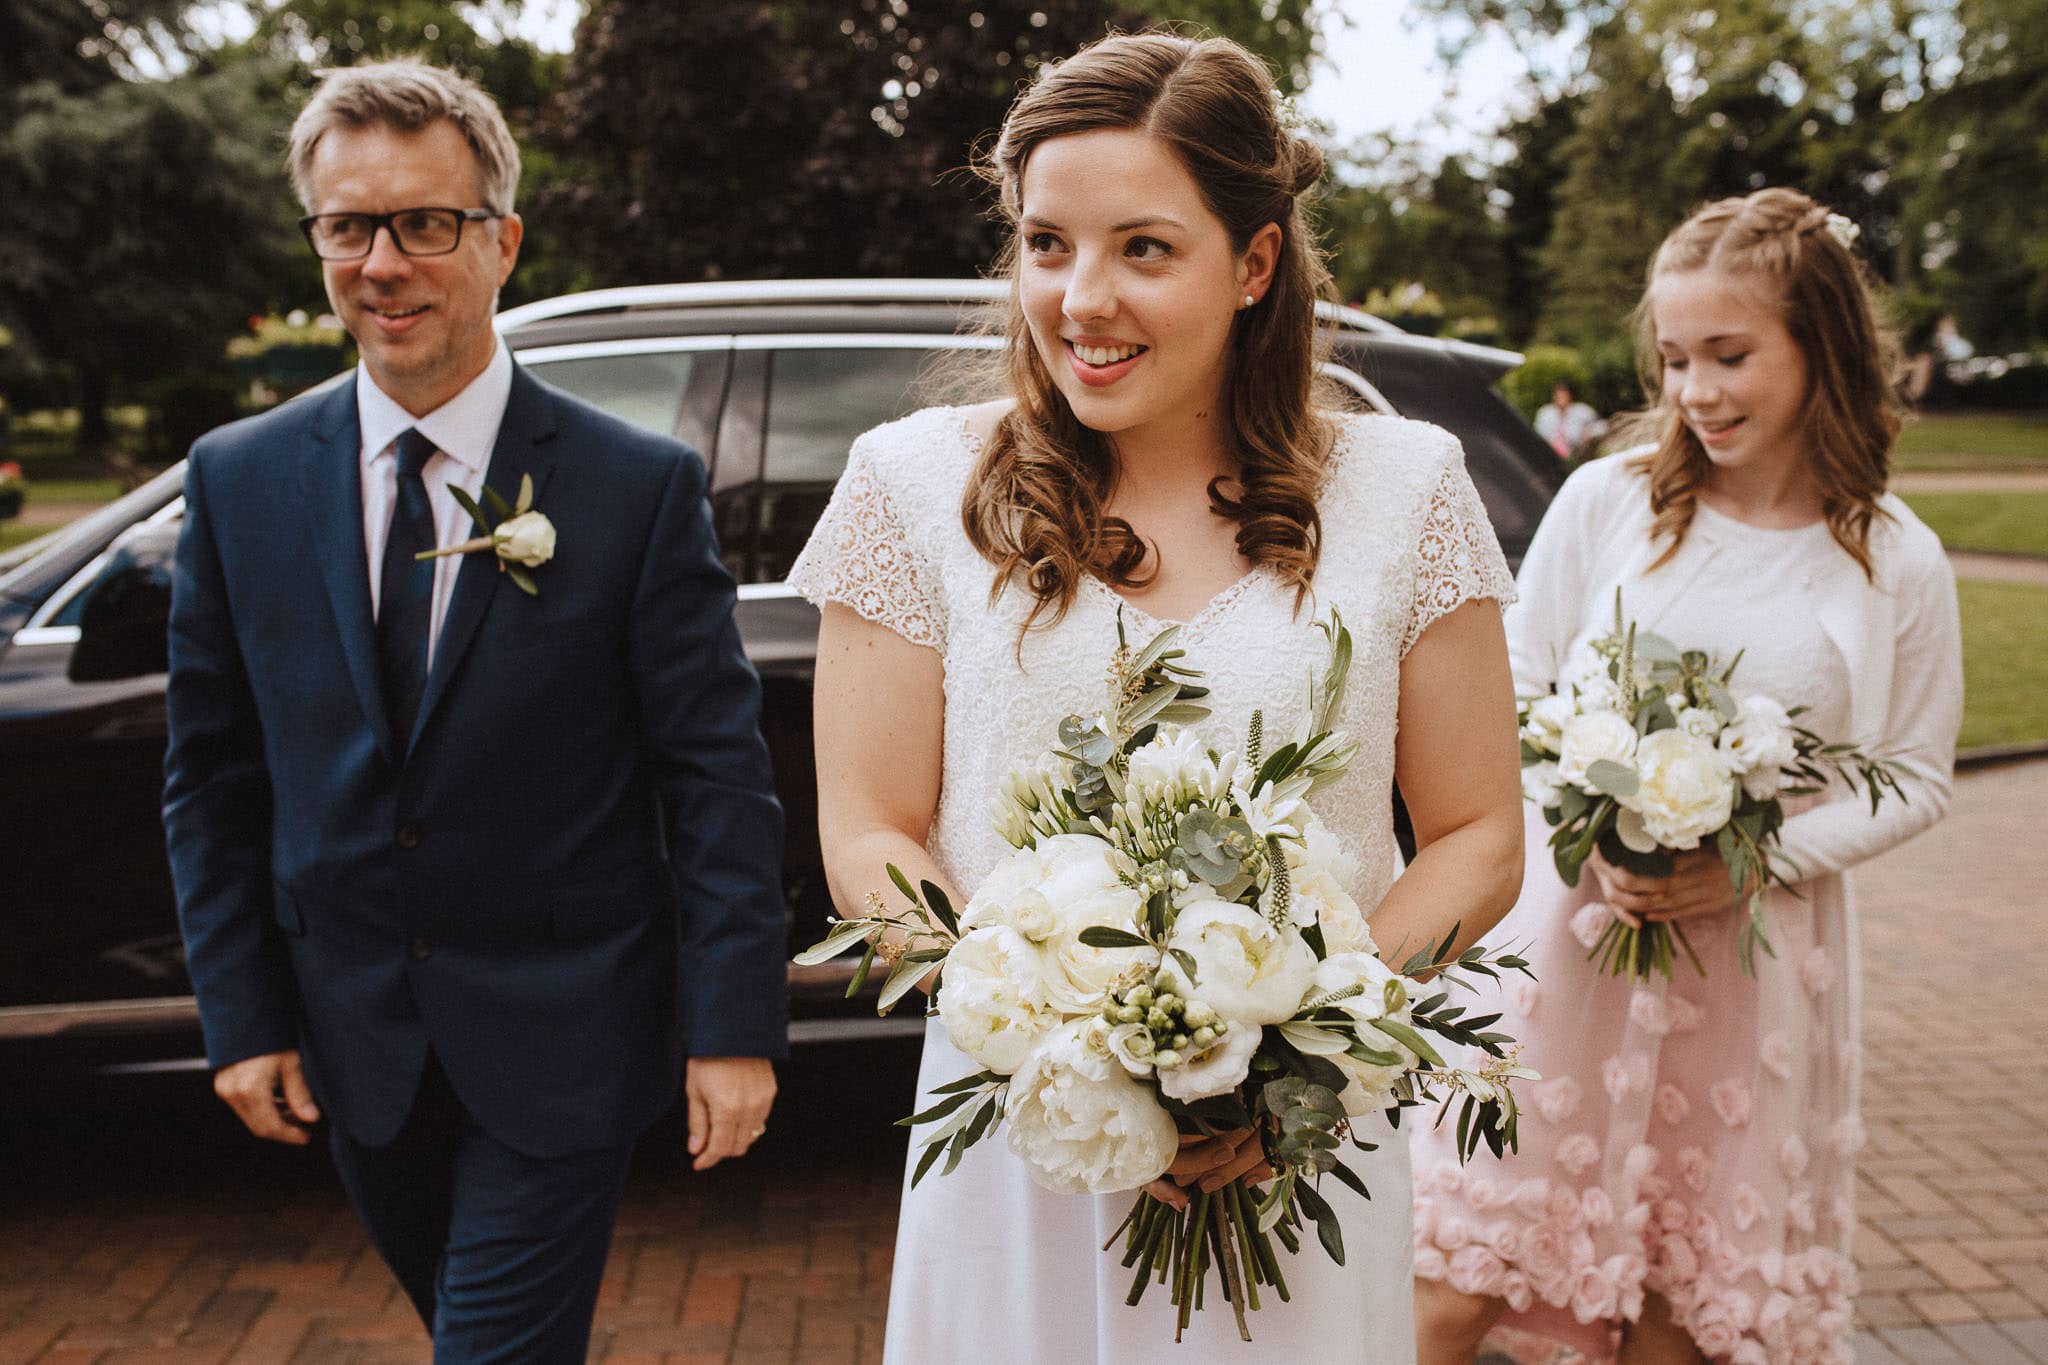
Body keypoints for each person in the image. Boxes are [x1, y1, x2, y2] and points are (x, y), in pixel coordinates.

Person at [788, 32, 1525, 1364]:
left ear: (1253, 263)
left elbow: (1477, 833)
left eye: (1143, 248)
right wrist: (1060, 1038)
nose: (1080, 297)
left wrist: (1297, 1047)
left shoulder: (1403, 490)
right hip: (1026, 1138)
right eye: (1046, 243)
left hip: (1299, 1160)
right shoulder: (909, 486)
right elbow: (871, 832)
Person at [163, 59, 787, 1361]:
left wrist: (733, 1029)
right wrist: (244, 1015)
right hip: (352, 1044)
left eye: (424, 223)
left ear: (500, 241)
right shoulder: (239, 480)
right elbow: (212, 779)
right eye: (350, 226)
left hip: (566, 1037)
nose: (383, 263)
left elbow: (714, 779)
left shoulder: (632, 489)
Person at [1409, 188, 1963, 1365]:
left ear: (1821, 348)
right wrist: (1585, 809)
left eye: (1728, 356)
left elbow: (1911, 774)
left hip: (1756, 971)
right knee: (1453, 1280)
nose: (1695, 392)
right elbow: (1514, 680)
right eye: (1672, 360)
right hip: (1569, 940)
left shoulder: (1890, 555)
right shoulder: (1610, 503)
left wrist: (1751, 861)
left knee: (1679, 1317)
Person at [1534, 382, 1607, 464]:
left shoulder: (1582, 410)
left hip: (1578, 454)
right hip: (1550, 455)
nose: (1561, 399)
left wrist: (1591, 432)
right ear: (1553, 397)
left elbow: (1603, 426)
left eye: (1564, 396)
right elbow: (1537, 433)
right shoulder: (1545, 413)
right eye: (1558, 396)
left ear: (1570, 396)